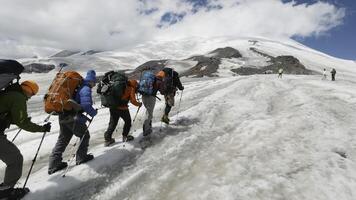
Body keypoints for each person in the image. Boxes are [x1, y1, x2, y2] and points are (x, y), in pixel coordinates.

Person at [0, 80, 51, 199]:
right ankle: (6, 192)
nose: (31, 97)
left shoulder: (8, 93)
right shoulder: (18, 97)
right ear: (29, 90)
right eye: (32, 94)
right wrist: (42, 128)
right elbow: (22, 122)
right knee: (15, 159)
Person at [48, 70, 97, 175]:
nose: (94, 84)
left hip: (63, 114)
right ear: (91, 81)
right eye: (94, 82)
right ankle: (81, 157)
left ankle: (54, 163)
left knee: (63, 138)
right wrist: (93, 113)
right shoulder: (86, 89)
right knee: (84, 135)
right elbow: (86, 105)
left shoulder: (77, 87)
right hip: (72, 116)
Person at [104, 79, 142, 146]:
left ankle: (108, 139)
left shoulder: (121, 85)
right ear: (134, 85)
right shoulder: (131, 88)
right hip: (122, 108)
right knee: (128, 121)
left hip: (113, 107)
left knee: (113, 123)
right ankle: (125, 136)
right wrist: (139, 104)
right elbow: (133, 101)